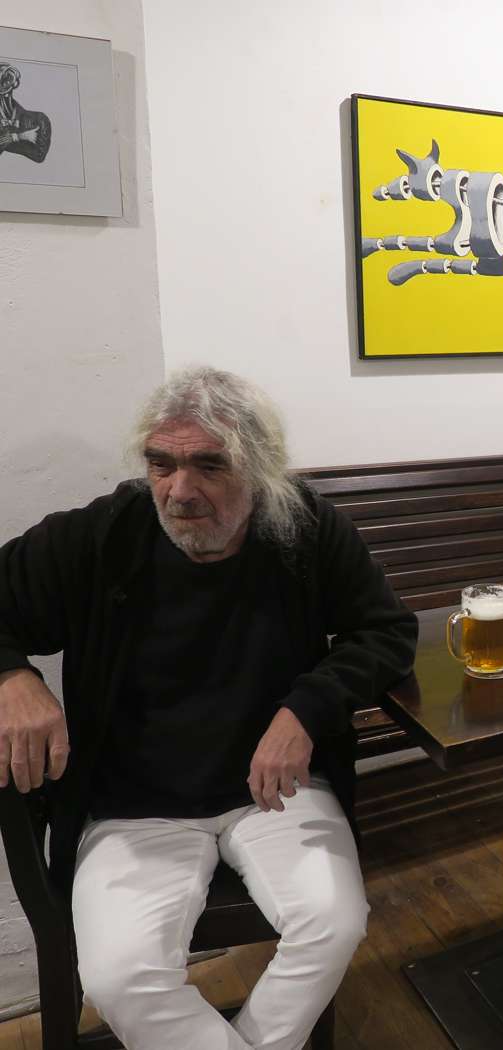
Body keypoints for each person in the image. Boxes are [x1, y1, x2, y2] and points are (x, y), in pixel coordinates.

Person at [0, 368, 418, 1050]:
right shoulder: (106, 534)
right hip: (136, 805)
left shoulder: (302, 526)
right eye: (161, 465)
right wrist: (11, 675)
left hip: (275, 791)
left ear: (259, 469)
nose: (179, 490)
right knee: (119, 977)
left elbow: (387, 632)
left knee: (334, 923)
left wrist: (305, 710)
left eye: (209, 466)